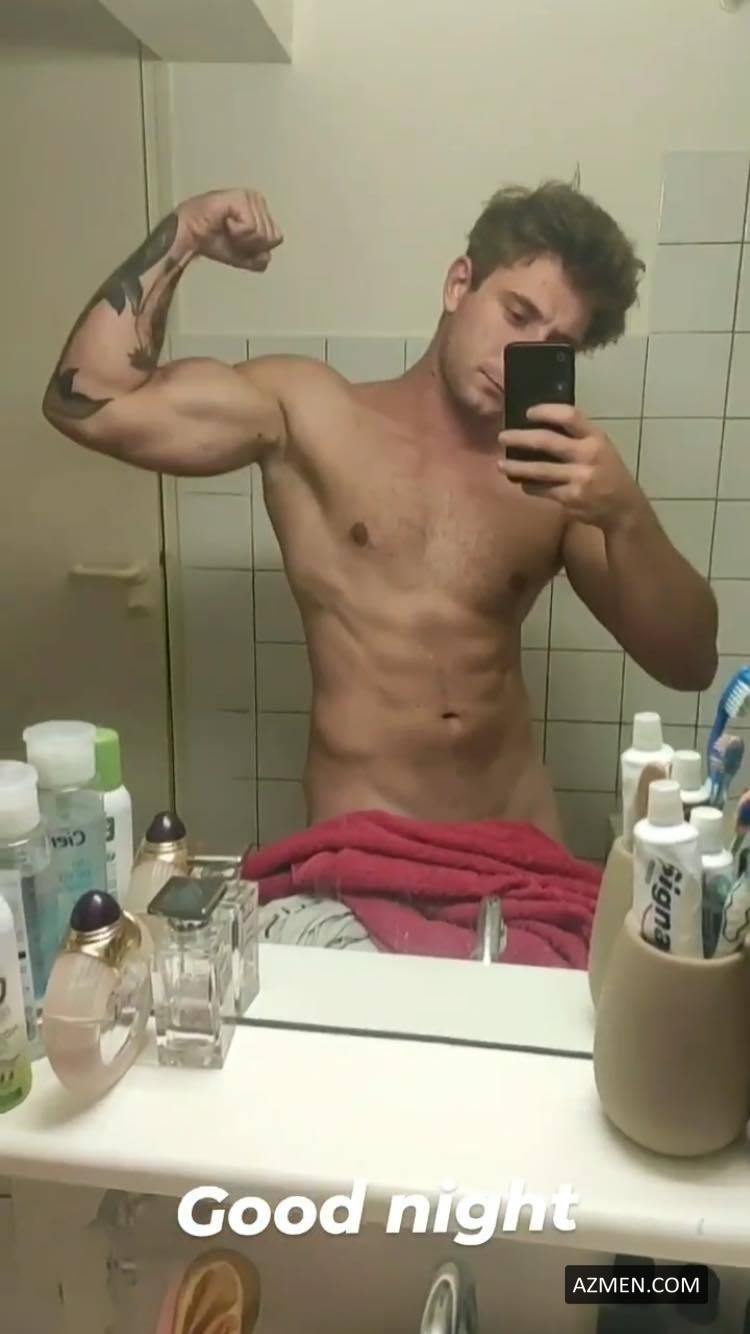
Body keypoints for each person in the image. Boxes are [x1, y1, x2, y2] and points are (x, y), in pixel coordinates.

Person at [43, 182, 718, 844]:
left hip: (516, 849)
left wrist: (626, 513)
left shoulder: (555, 478)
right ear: (459, 284)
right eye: (517, 315)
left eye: (555, 343)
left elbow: (688, 663)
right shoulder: (313, 414)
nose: (524, 357)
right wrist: (186, 231)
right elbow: (88, 401)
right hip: (363, 850)